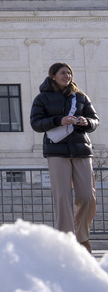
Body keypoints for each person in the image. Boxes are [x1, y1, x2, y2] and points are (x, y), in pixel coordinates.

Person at [30, 62, 99, 253]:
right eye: (63, 73)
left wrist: (87, 122)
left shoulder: (81, 97)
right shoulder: (42, 98)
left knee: (87, 196)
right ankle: (66, 241)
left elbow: (95, 120)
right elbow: (35, 123)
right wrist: (58, 121)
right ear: (53, 76)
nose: (67, 76)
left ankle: (82, 235)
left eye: (69, 73)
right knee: (62, 197)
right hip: (56, 151)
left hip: (82, 150)